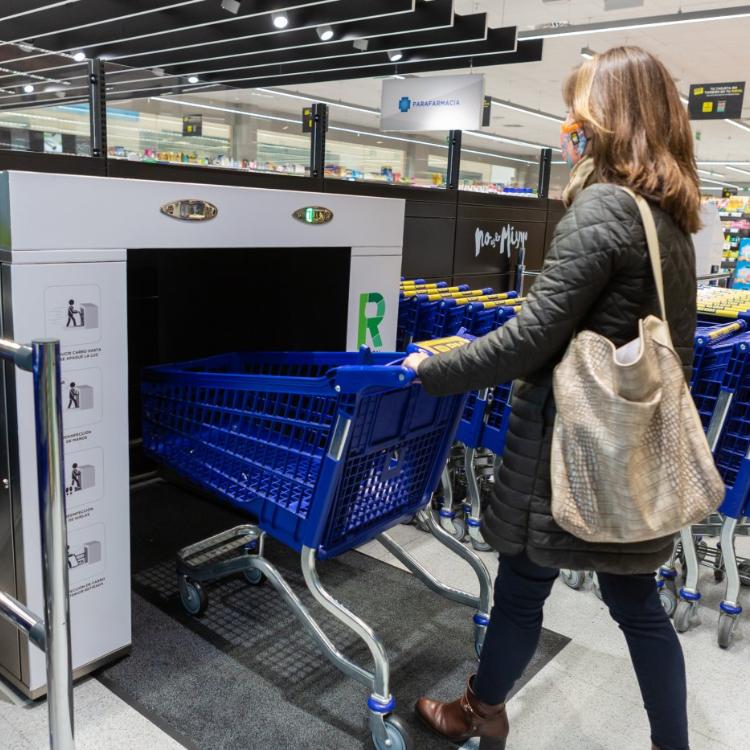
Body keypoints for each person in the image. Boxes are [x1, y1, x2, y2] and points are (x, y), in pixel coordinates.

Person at [403, 46, 698, 750]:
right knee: (636, 605)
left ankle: (480, 711)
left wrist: (429, 368)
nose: (568, 121)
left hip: (569, 449)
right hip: (626, 453)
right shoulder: (671, 222)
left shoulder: (602, 210)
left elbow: (529, 340)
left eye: (579, 107)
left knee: (524, 588)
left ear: (611, 118)